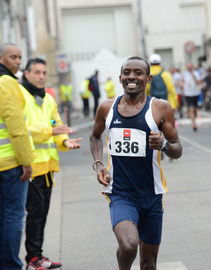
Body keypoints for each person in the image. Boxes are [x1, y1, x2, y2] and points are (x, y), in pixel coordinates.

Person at [90, 56, 182, 270]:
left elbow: (177, 149)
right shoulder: (106, 108)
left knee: (148, 263)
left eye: (138, 73)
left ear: (148, 79)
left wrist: (164, 145)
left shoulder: (160, 108)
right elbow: (94, 136)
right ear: (120, 77)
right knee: (129, 245)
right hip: (120, 193)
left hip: (151, 195)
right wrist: (98, 163)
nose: (132, 76)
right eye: (127, 72)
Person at [20, 58, 82, 270]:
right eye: (37, 72)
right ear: (26, 73)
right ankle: (32, 259)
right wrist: (51, 131)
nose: (41, 76)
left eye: (44, 72)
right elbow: (22, 131)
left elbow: (56, 126)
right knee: (34, 215)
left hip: (47, 167)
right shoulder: (20, 96)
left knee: (42, 213)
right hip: (29, 167)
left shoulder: (47, 99)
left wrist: (65, 141)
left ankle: (37, 256)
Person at [0, 43, 35, 270]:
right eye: (13, 57)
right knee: (14, 216)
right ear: (2, 58)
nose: (18, 62)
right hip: (11, 161)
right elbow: (16, 125)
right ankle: (11, 266)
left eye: (20, 57)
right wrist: (26, 161)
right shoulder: (7, 83)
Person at [181, 62, 201, 131]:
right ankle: (193, 124)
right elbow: (182, 81)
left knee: (195, 109)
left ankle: (194, 119)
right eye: (188, 66)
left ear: (192, 67)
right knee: (191, 108)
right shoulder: (184, 74)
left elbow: (198, 82)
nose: (189, 68)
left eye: (190, 66)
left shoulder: (196, 73)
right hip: (188, 94)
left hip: (195, 93)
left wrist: (193, 75)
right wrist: (182, 88)